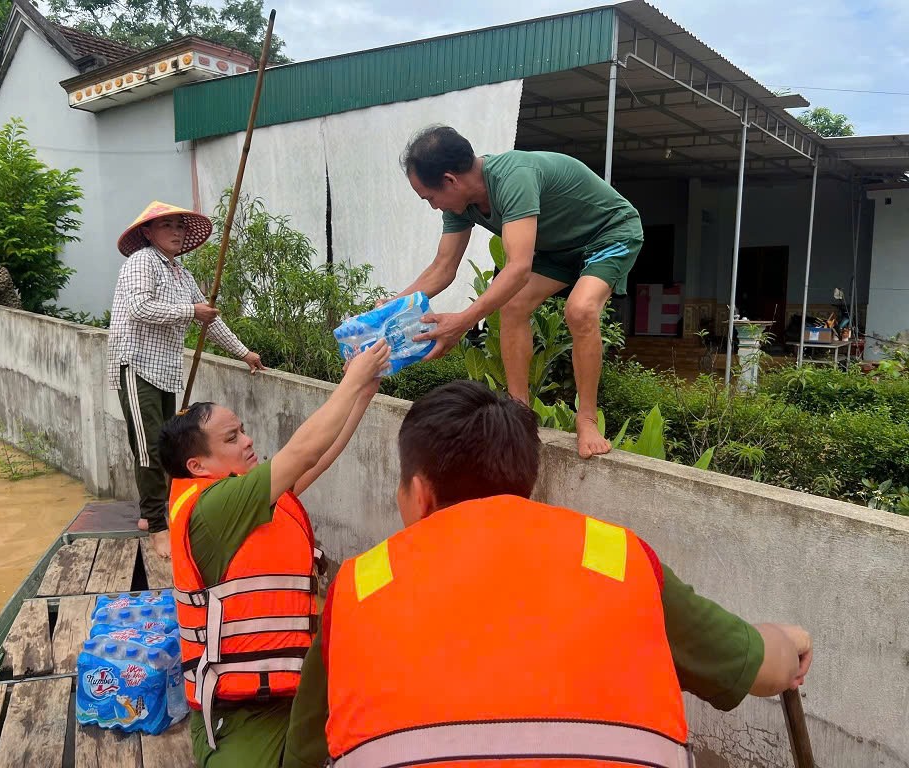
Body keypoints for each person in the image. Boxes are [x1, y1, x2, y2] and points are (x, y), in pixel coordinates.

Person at [282, 380, 813, 768]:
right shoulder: (616, 557)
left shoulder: (360, 586)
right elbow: (761, 669)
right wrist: (791, 640)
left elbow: (306, 754)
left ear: (419, 494)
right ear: (525, 481)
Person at [156, 339, 390, 768]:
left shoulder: (252, 497)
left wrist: (361, 394)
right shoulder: (213, 508)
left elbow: (317, 456)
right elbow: (302, 450)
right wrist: (354, 377)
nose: (248, 441)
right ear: (198, 467)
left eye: (243, 430)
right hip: (239, 710)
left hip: (291, 688)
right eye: (232, 437)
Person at [391, 125, 645, 458]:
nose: (433, 207)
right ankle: (520, 416)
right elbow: (442, 268)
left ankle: (586, 420)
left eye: (430, 198)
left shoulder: (513, 177)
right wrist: (389, 309)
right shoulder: (460, 205)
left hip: (608, 234)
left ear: (450, 180)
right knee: (512, 307)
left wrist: (462, 321)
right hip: (557, 249)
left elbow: (518, 268)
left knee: (580, 310)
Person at [108, 201, 266, 559]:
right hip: (135, 364)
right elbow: (139, 308)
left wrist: (243, 352)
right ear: (148, 233)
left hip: (164, 369)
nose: (177, 232)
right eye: (168, 226)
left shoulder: (180, 273)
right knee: (149, 445)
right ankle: (156, 525)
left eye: (180, 226)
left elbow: (208, 320)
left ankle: (157, 513)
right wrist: (189, 311)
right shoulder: (141, 263)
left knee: (167, 445)